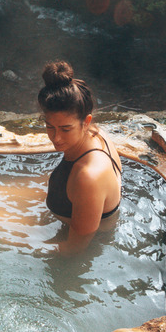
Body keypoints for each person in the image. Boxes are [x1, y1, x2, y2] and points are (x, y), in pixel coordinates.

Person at [38, 61, 121, 254]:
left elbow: (74, 249)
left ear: (86, 122)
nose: (56, 138)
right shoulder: (98, 135)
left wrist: (13, 246)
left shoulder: (88, 176)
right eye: (50, 127)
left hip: (88, 250)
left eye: (66, 129)